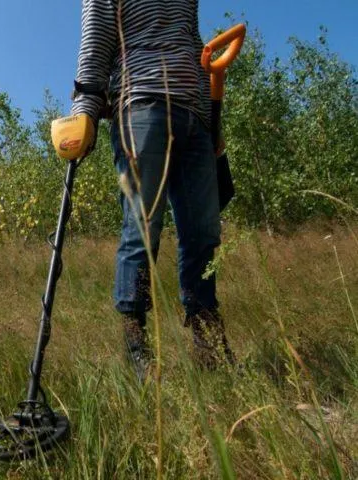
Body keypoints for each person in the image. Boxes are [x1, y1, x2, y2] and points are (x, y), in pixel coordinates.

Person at [70, 0, 235, 379]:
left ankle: (207, 338)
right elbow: (96, 40)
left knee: (204, 232)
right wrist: (85, 109)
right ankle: (135, 344)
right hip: (141, 102)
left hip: (194, 116)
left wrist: (212, 122)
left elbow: (193, 48)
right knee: (143, 226)